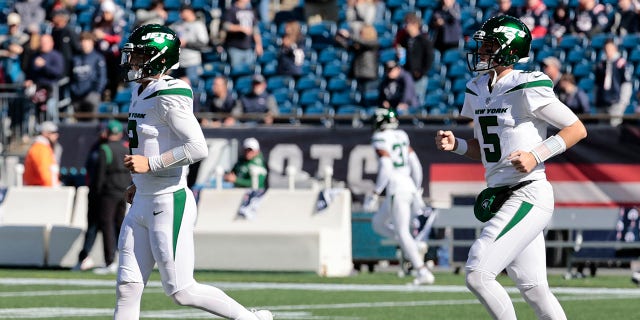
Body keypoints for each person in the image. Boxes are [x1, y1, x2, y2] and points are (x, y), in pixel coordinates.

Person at [115, 24, 272, 320]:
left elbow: (197, 147)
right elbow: (149, 142)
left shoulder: (170, 92)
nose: (132, 62)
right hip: (142, 201)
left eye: (139, 56)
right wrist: (138, 180)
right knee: (127, 287)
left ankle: (249, 318)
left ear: (158, 58)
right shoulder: (140, 89)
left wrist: (152, 165)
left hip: (167, 201)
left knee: (181, 291)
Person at [435, 15, 587, 319]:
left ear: (509, 49)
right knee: (533, 288)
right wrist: (459, 145)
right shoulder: (476, 88)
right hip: (501, 193)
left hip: (528, 192)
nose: (481, 51)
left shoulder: (527, 84)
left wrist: (537, 154)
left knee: (478, 272)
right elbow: (488, 149)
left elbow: (576, 128)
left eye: (489, 45)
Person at [363, 107, 434, 286]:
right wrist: (417, 188)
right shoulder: (402, 135)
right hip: (408, 185)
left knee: (402, 232)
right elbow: (415, 164)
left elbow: (386, 166)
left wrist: (375, 193)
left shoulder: (379, 138)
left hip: (396, 188)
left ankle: (422, 271)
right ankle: (414, 245)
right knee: (378, 223)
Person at [74, 120, 130, 274]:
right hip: (123, 192)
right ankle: (122, 260)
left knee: (107, 226)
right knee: (119, 225)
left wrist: (95, 192)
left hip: (106, 193)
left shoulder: (104, 149)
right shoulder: (126, 148)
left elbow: (99, 175)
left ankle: (110, 261)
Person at [395, 12, 434, 108]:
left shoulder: (424, 40)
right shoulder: (405, 40)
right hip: (407, 75)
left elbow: (429, 58)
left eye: (408, 24)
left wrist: (421, 72)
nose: (406, 26)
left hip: (419, 77)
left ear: (415, 24)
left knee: (417, 100)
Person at [170, 4, 209, 90]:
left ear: (189, 12)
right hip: (178, 62)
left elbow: (203, 44)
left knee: (192, 87)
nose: (181, 15)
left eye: (183, 12)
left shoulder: (198, 25)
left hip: (192, 62)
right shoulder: (178, 24)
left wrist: (186, 43)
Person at [594, 39, 632, 126]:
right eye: (606, 49)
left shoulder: (621, 63)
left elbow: (626, 83)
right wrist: (596, 100)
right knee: (602, 129)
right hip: (602, 102)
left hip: (615, 102)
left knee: (614, 128)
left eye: (610, 49)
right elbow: (597, 84)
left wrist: (623, 102)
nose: (608, 52)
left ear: (615, 49)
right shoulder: (601, 65)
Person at [70, 32, 107, 120]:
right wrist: (73, 89)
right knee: (79, 125)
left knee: (92, 124)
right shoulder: (75, 58)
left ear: (92, 42)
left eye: (87, 41)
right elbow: (71, 76)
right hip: (77, 96)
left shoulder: (98, 58)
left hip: (91, 96)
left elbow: (102, 77)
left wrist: (96, 92)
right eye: (82, 41)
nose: (84, 44)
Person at [223, 0, 264, 70]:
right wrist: (241, 28)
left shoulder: (250, 11)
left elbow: (255, 29)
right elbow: (225, 26)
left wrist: (258, 44)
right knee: (237, 71)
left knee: (249, 74)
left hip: (248, 49)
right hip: (235, 49)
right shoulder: (231, 10)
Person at [23, 121, 61, 186]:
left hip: (40, 187)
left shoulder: (44, 147)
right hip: (39, 188)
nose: (56, 135)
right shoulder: (40, 148)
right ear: (45, 133)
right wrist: (53, 188)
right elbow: (44, 172)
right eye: (53, 132)